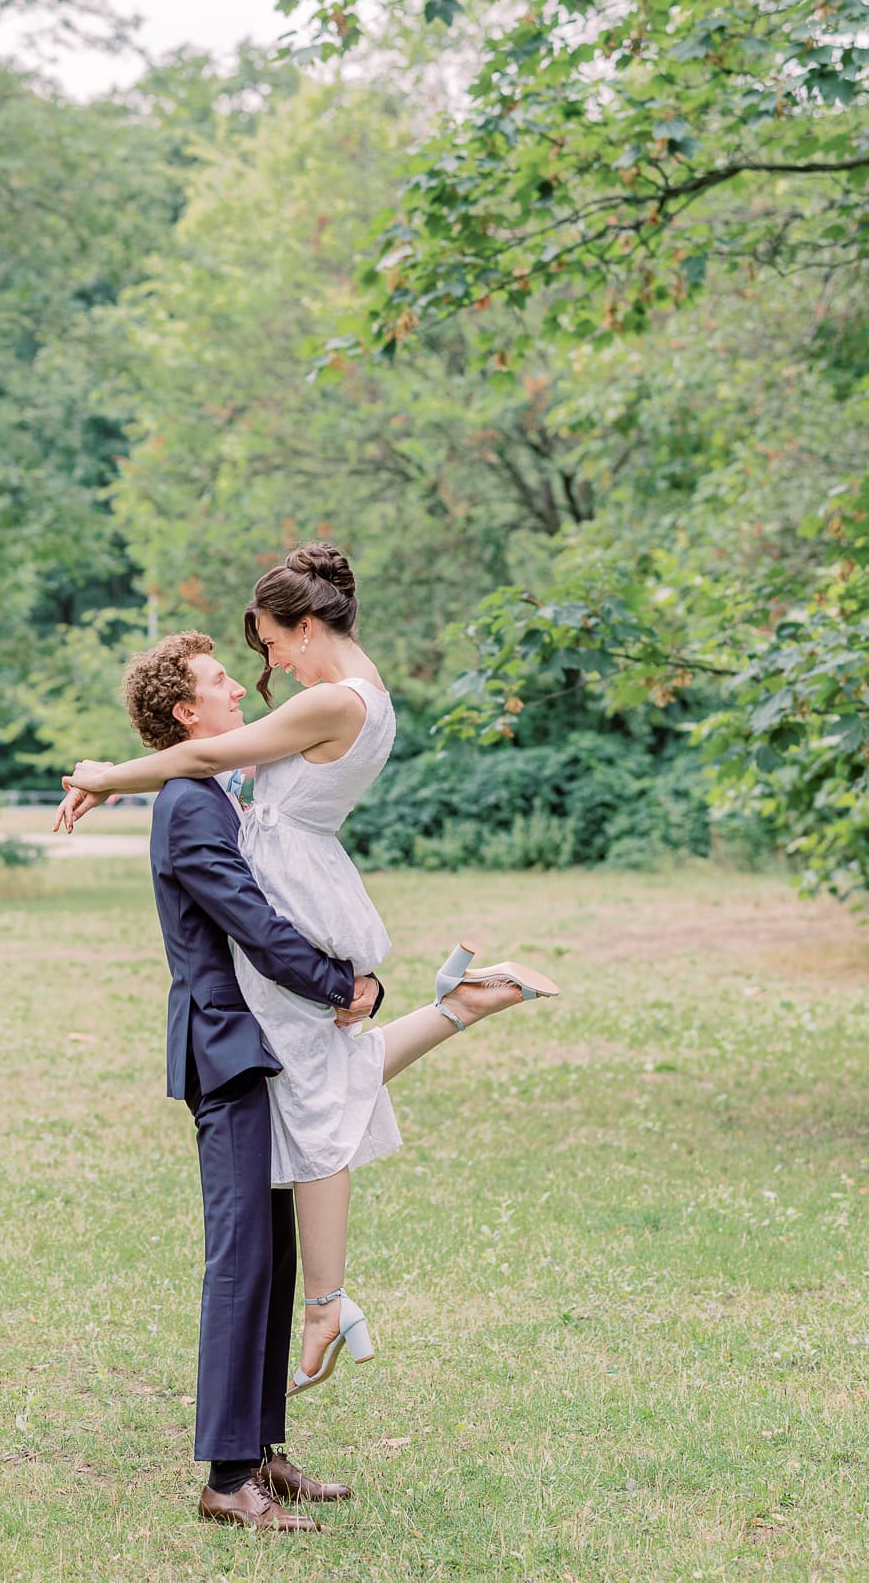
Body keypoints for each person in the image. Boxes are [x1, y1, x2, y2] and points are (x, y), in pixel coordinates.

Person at [57, 543, 559, 1399]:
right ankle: (458, 1009)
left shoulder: (332, 697)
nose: (270, 665)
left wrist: (107, 776)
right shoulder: (367, 696)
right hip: (308, 878)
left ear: (307, 623)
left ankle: (325, 1301)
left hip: (290, 885)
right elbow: (210, 753)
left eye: (272, 644)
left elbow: (198, 758)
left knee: (322, 1093)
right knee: (330, 1073)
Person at [100, 630, 385, 1533]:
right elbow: (256, 925)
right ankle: (226, 1479)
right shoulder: (188, 802)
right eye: (222, 681)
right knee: (242, 1262)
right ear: (187, 712)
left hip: (267, 1044)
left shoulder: (216, 787)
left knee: (274, 1254)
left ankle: (263, 1452)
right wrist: (341, 985)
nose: (238, 689)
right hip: (228, 1049)